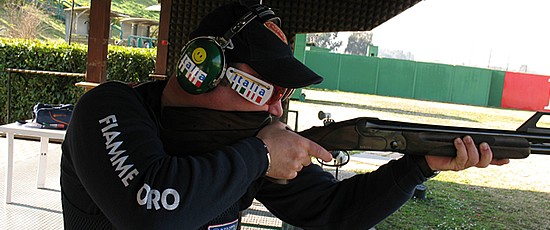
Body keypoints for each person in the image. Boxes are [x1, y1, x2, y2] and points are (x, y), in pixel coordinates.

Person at [60, 2, 510, 229]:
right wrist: (258, 156)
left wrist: (419, 164)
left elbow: (333, 211)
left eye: (284, 94)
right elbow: (153, 213)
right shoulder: (110, 107)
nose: (276, 107)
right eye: (265, 88)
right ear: (202, 69)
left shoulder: (249, 139)